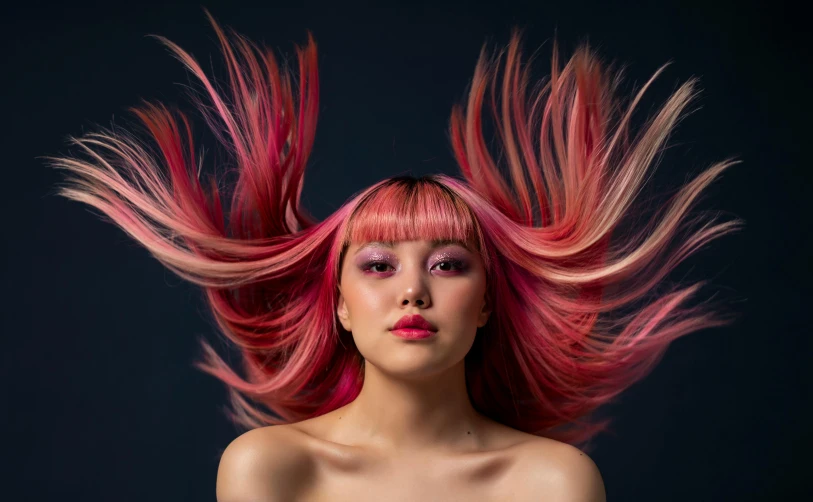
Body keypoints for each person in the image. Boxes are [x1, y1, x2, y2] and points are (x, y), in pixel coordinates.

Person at [45, 8, 742, 501]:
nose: (413, 291)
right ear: (340, 305)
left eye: (447, 264)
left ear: (487, 303)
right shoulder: (271, 471)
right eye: (378, 265)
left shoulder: (552, 483)